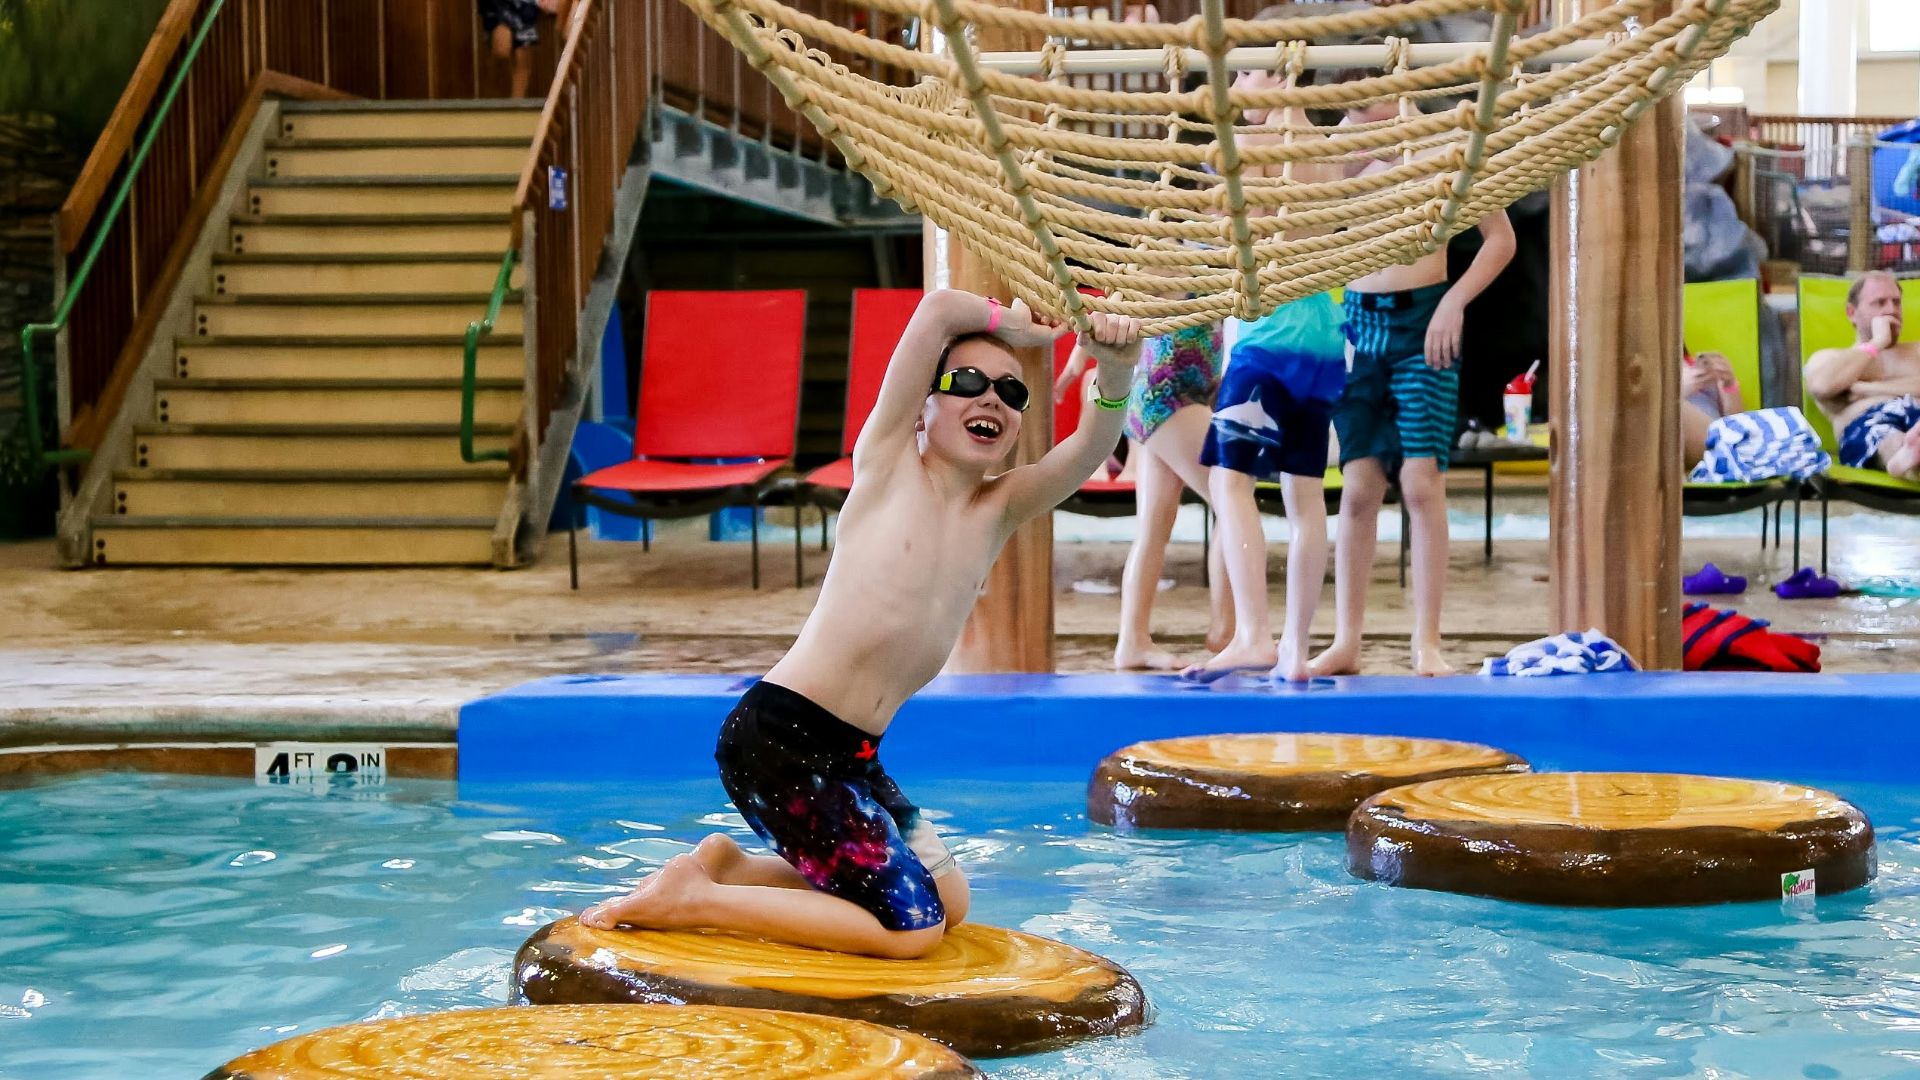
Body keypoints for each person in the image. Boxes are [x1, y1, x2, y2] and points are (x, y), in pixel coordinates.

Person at [580, 291, 1144, 959]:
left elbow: (1088, 451)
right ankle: (695, 899)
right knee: (913, 930)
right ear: (922, 410)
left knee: (951, 900)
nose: (989, 399)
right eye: (965, 383)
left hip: (852, 754)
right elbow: (936, 312)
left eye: (1010, 393)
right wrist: (1010, 325)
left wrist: (1117, 370)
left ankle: (732, 868)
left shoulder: (997, 510)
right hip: (781, 740)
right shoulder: (888, 465)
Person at [1309, 95, 1515, 679]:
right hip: (1358, 322)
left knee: (1421, 481)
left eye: (1364, 104)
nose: (1354, 115)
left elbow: (1500, 239)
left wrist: (1454, 301)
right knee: (1358, 486)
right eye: (1349, 104)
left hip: (1424, 320)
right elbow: (1313, 220)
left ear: (1396, 96)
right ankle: (1346, 640)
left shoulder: (1443, 144)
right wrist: (1346, 161)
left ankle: (1426, 641)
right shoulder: (1342, 145)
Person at [1182, 76, 1350, 683]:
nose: (1230, 87)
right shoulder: (1331, 153)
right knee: (1304, 496)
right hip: (1324, 343)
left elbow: (1220, 223)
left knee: (1228, 482)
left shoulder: (1247, 154)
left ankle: (1254, 635)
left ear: (1278, 72)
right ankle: (1295, 650)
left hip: (1266, 341)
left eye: (1241, 75)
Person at [1056, 325, 1233, 670]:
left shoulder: (1208, 272)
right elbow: (1118, 305)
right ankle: (1228, 629)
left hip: (1175, 398)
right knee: (1234, 503)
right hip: (1167, 398)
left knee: (1154, 529)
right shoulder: (1169, 271)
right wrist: (1077, 364)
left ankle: (1132, 642)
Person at [1806, 270, 1920, 480]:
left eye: (1896, 302)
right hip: (1871, 428)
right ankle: (1907, 456)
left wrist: (1868, 388)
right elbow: (1822, 386)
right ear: (1852, 313)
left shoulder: (1916, 351)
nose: (1891, 310)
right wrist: (1877, 342)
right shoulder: (1830, 358)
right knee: (1888, 437)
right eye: (1879, 303)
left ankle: (1910, 456)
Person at [480, 0, 567, 99]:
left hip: (526, 6)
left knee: (523, 56)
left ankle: (516, 103)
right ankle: (490, 99)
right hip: (499, 5)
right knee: (501, 51)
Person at [1682, 348, 1744, 469]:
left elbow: (1737, 422)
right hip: (1703, 448)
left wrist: (1728, 383)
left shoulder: (1695, 364)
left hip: (1725, 442)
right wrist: (1678, 392)